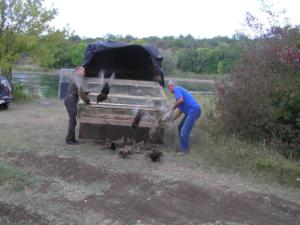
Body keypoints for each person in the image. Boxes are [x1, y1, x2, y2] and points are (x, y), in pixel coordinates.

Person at [167, 80, 201, 154]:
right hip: (191, 112)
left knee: (184, 131)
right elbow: (180, 111)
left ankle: (184, 150)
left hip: (193, 111)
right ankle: (183, 146)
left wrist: (172, 108)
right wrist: (172, 120)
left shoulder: (177, 89)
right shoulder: (178, 94)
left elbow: (181, 100)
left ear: (172, 85)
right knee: (180, 127)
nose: (168, 89)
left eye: (169, 87)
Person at [64, 66, 86, 145]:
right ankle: (69, 140)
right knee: (72, 120)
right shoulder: (76, 77)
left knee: (73, 120)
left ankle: (72, 139)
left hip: (71, 98)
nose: (84, 73)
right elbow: (81, 88)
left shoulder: (76, 77)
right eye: (83, 71)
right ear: (78, 71)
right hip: (71, 99)